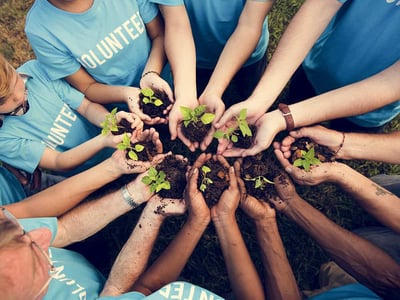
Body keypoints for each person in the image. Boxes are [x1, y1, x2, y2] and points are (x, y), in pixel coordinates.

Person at [214, 0, 400, 157]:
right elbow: (321, 5)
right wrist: (261, 100)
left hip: (368, 110)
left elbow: (392, 82)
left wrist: (284, 117)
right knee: (294, 131)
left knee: (332, 148)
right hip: (318, 67)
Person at [238, 169, 400, 299]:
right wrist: (290, 203)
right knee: (382, 188)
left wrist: (264, 221)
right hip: (361, 288)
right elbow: (392, 281)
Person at [149, 0, 275, 151]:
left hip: (248, 54)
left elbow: (249, 25)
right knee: (202, 91)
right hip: (191, 56)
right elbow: (176, 25)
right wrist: (186, 94)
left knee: (249, 91)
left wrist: (214, 89)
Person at [25, 0, 173, 123]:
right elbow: (87, 87)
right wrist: (126, 93)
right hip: (127, 109)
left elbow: (159, 35)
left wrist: (151, 73)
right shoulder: (40, 29)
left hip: (171, 74)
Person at [0, 54, 143, 177]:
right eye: (3, 99)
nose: (18, 95)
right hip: (92, 174)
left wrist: (111, 120)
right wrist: (103, 140)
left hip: (120, 146)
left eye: (15, 81)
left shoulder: (35, 72)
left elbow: (86, 107)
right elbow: (59, 161)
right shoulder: (5, 138)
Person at [3, 127, 164, 218]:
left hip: (19, 183)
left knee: (86, 198)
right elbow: (26, 211)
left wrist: (7, 159)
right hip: (17, 222)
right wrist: (113, 166)